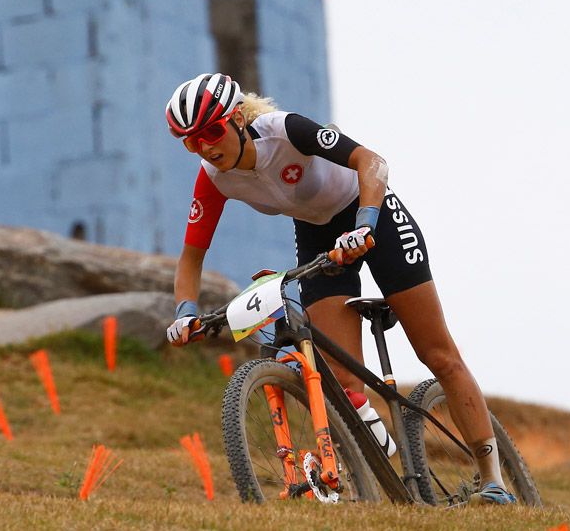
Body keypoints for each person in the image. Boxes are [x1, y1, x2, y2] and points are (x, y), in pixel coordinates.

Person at [163, 72, 516, 505]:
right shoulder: (213, 177)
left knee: (438, 353)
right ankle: (383, 457)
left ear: (236, 118)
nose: (206, 148)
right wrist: (184, 311)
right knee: (342, 379)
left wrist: (365, 222)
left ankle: (494, 481)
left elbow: (372, 161)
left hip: (374, 213)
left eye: (212, 132)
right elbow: (191, 257)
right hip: (318, 236)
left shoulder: (285, 130)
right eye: (191, 142)